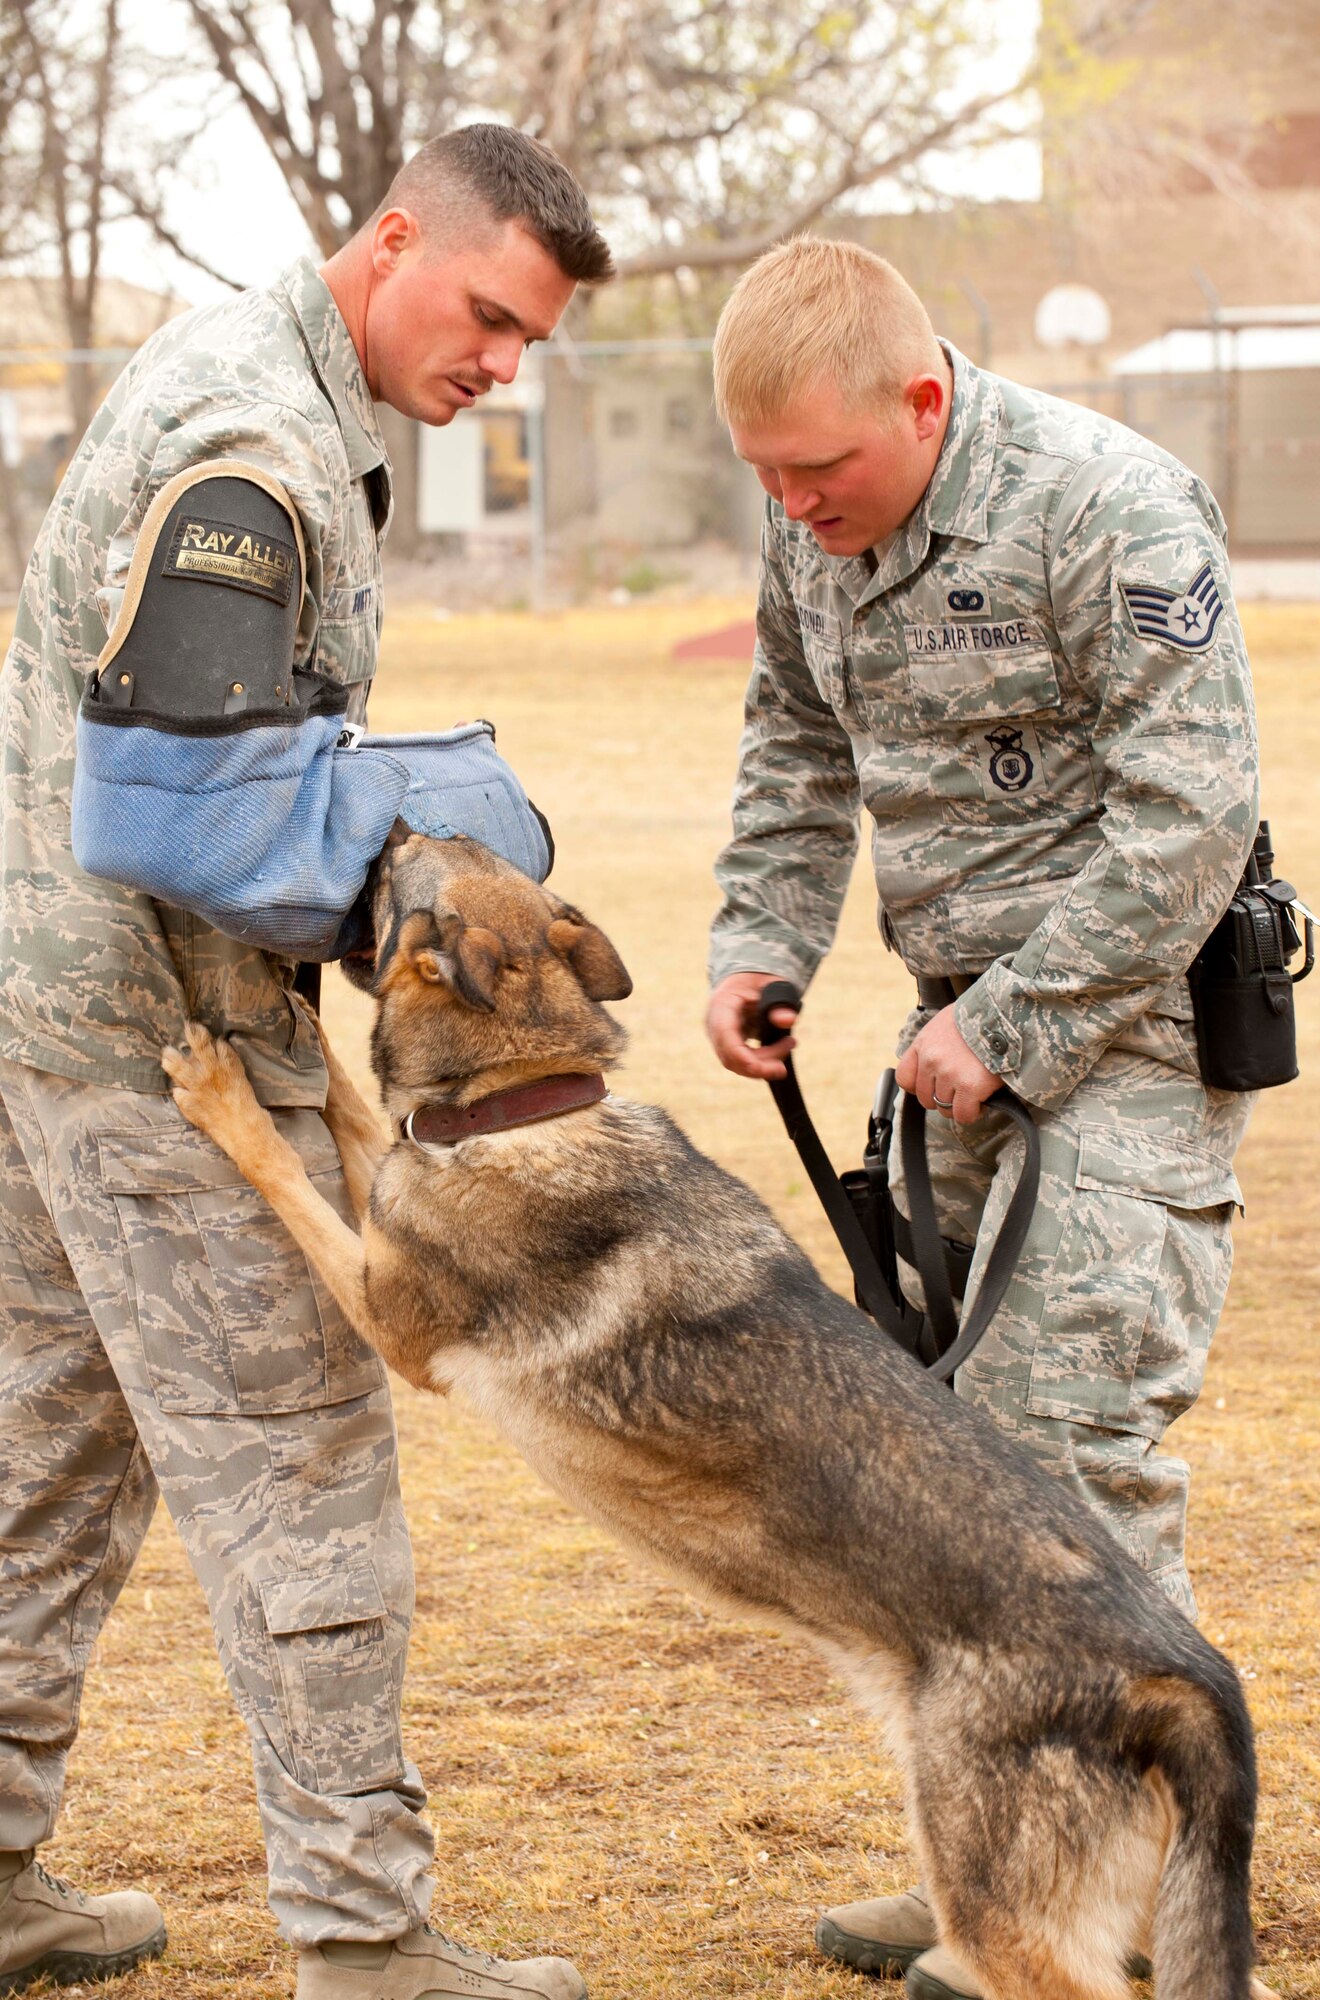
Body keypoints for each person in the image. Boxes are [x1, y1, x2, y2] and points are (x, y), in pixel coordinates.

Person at [0, 125, 611, 2000]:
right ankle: (365, 1941)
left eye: (532, 344)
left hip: (56, 1014)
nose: (502, 363)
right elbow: (182, 822)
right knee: (309, 1476)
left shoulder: (281, 404)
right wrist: (467, 798)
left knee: (44, 1456)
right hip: (153, 1032)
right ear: (395, 238)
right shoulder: (252, 456)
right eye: (491, 315)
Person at [704, 237, 1257, 2000]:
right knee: (951, 1485)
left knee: (1067, 1447)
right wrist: (755, 946)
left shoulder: (1109, 505)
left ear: (923, 401)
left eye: (822, 472)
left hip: (1132, 1030)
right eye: (767, 478)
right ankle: (999, 1876)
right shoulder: (815, 523)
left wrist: (1014, 1027)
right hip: (958, 1045)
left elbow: (1192, 811)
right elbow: (794, 746)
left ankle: (1123, 1908)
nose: (794, 509)